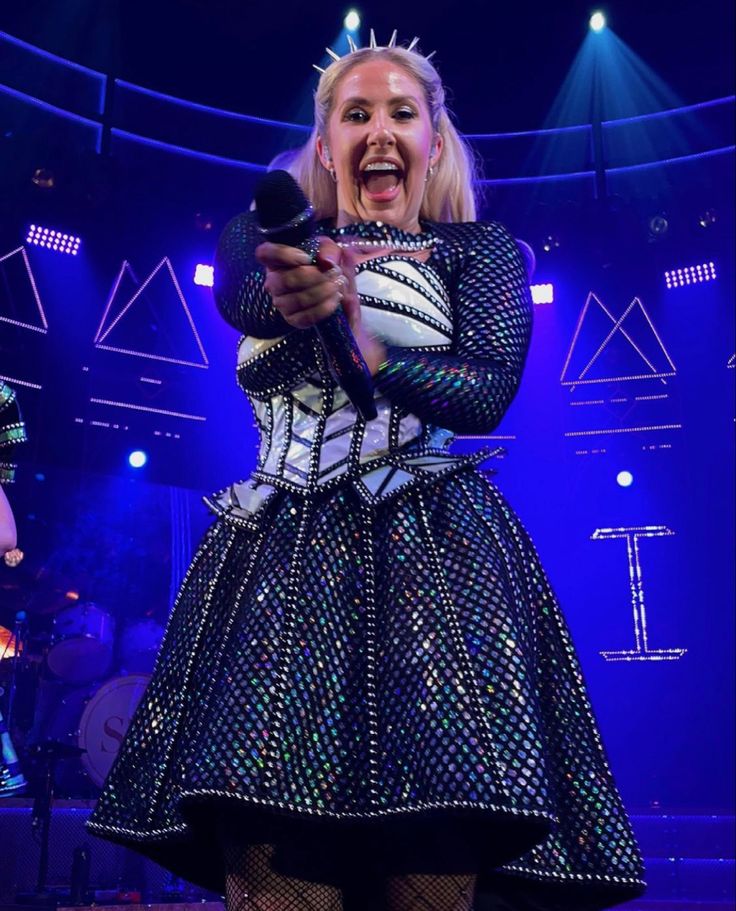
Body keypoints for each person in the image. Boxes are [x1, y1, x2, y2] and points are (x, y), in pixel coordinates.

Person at [88, 36, 646, 911]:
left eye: (400, 113)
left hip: (436, 571)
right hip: (279, 570)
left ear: (432, 140)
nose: (379, 130)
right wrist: (298, 285)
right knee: (267, 841)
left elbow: (489, 391)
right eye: (356, 114)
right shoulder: (263, 238)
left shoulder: (481, 252)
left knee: (429, 838)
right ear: (324, 145)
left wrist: (371, 342)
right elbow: (244, 285)